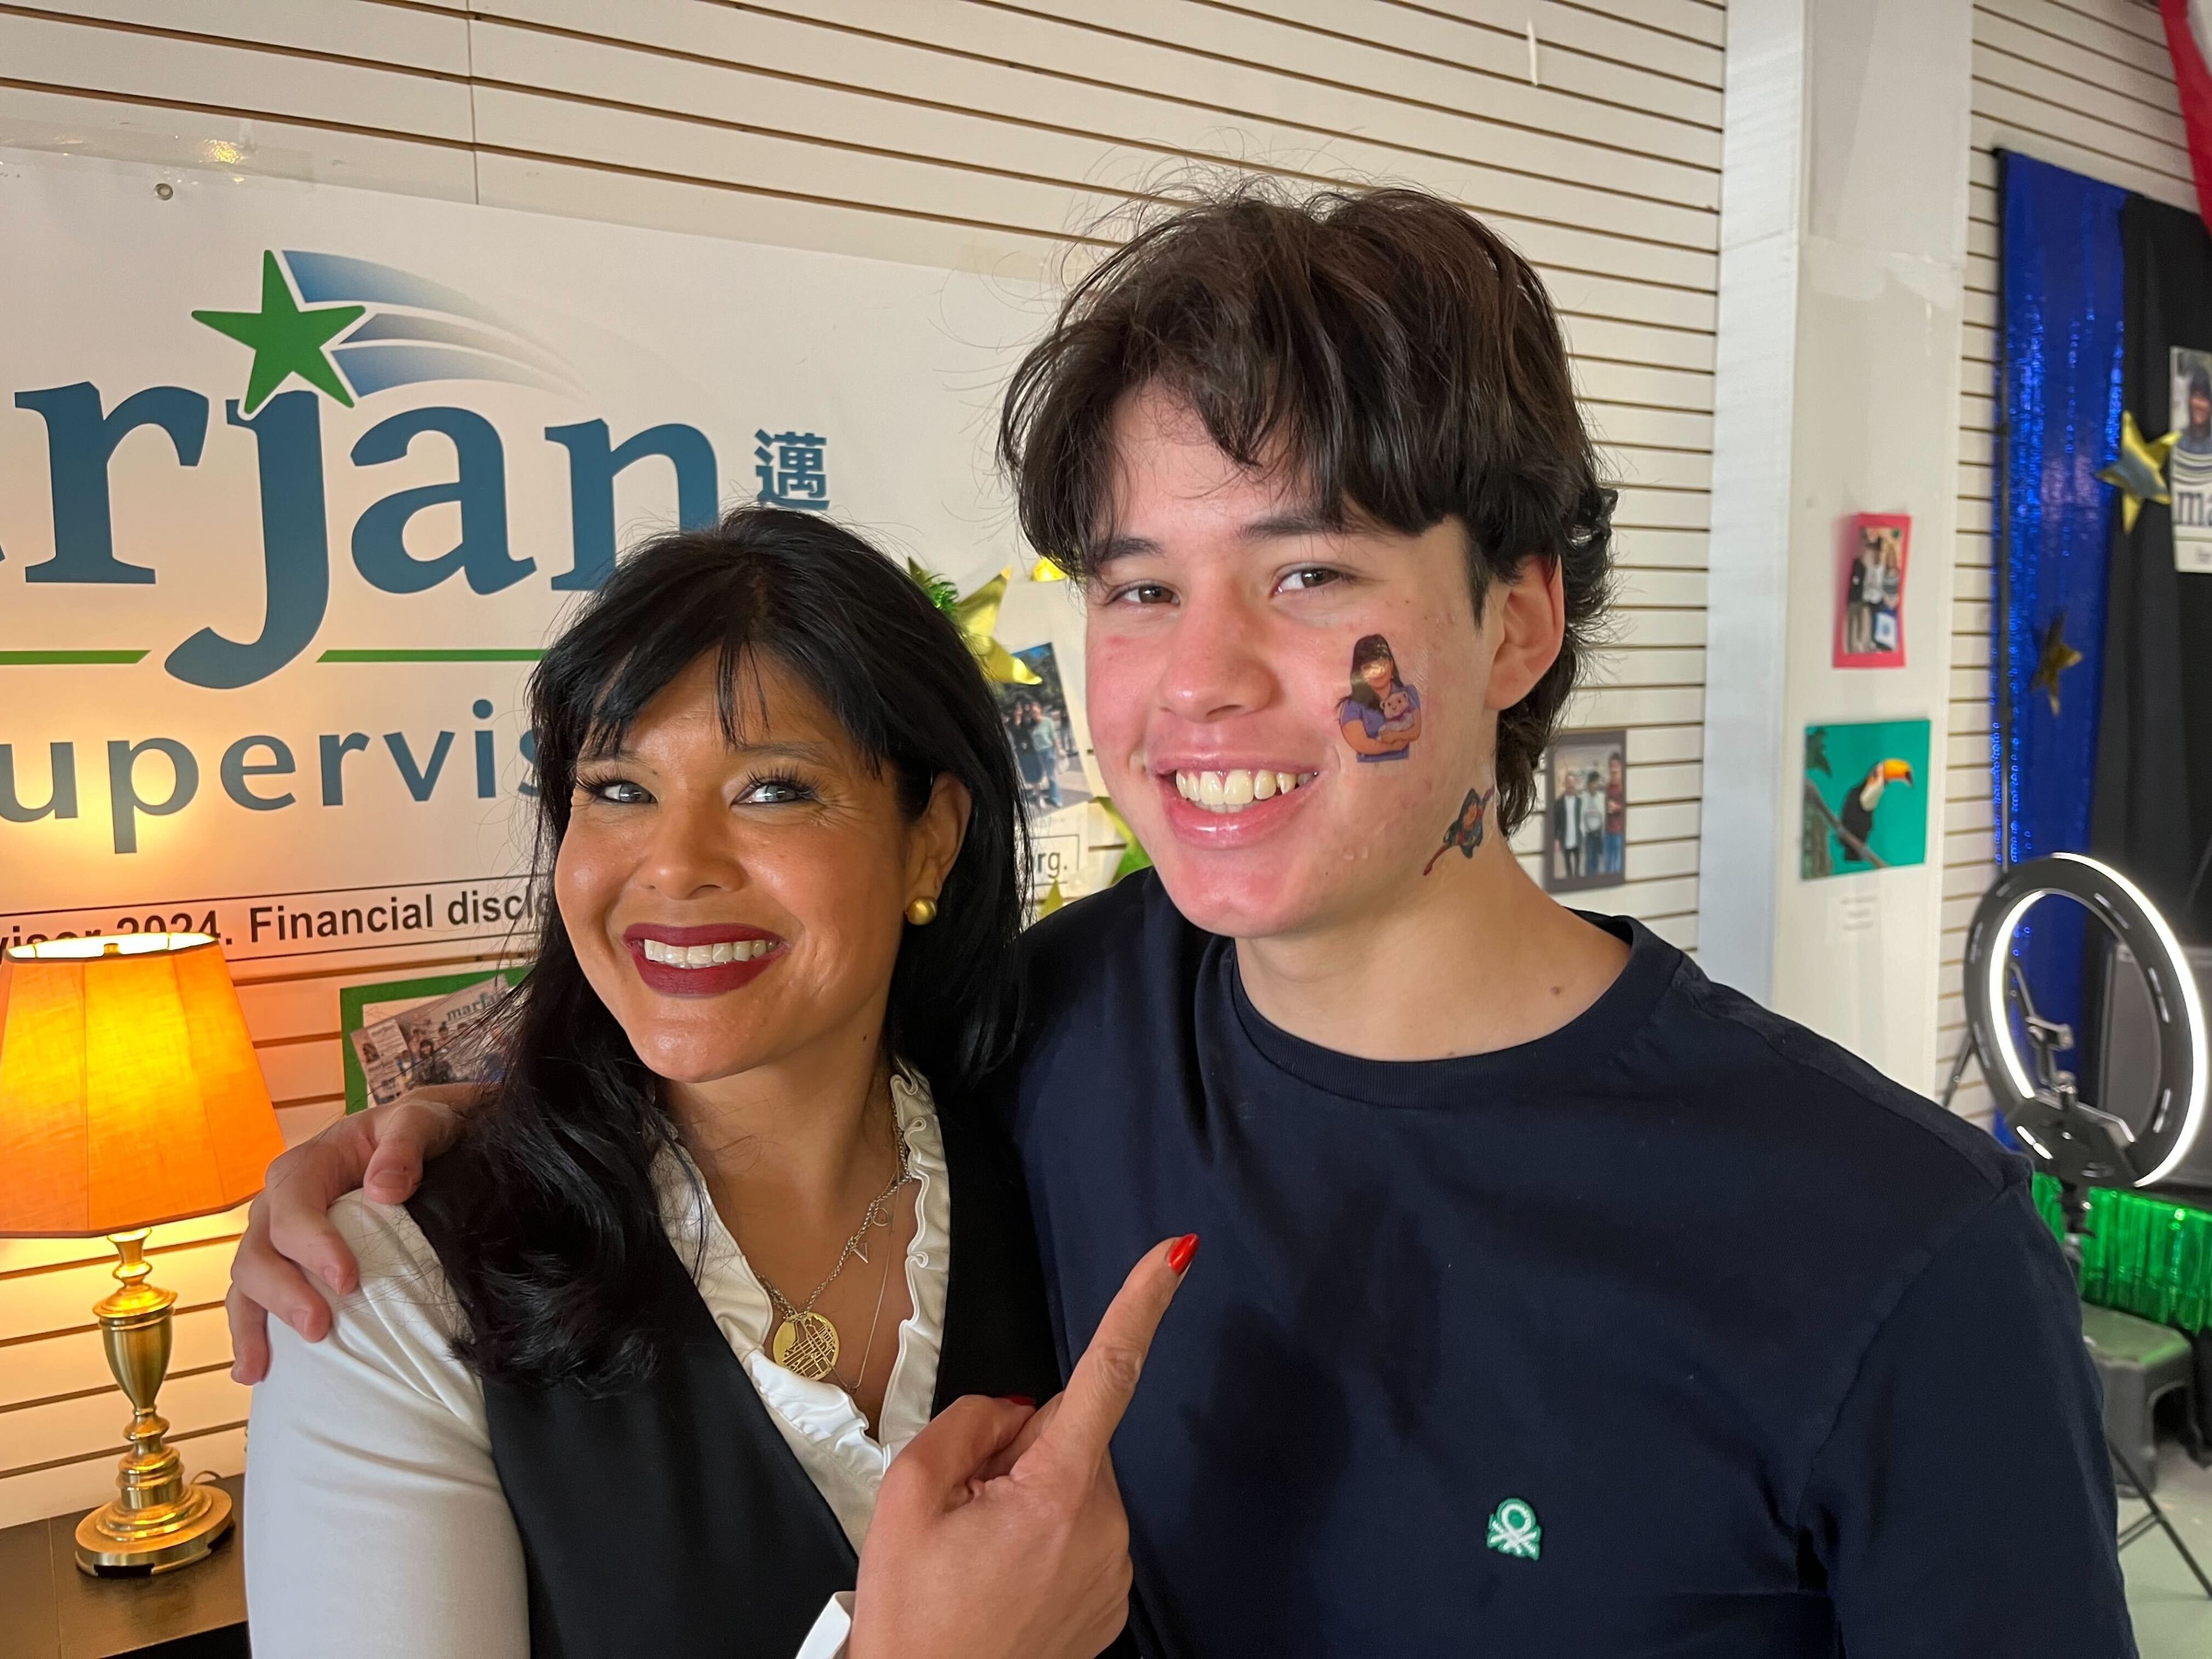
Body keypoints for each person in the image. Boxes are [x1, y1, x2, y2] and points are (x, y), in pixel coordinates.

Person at [232, 183, 2129, 1654]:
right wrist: (431, 1147)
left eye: (1307, 573)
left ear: (1520, 619)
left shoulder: (1896, 1260)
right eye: (1138, 589)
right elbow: (728, 1029)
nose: (1197, 683)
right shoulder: (1048, 1038)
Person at [242, 508, 1191, 1659]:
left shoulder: (1052, 1155)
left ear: (931, 838)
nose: (676, 865)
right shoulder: (391, 1289)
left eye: (773, 790)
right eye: (619, 790)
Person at [1335, 633, 1422, 759]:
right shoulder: (1352, 706)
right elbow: (1361, 743)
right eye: (1368, 667)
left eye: (1382, 664)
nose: (1376, 672)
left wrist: (1395, 736)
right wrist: (1392, 747)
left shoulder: (1409, 693)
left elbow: (1416, 731)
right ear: (1360, 673)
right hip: (1365, 773)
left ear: (1391, 664)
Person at [1551, 762, 1583, 878]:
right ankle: (1570, 877)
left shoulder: (1580, 802)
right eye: (1568, 783)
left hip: (1577, 836)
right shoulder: (1559, 803)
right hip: (1565, 836)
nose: (1571, 785)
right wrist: (1556, 839)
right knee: (1568, 862)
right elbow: (1556, 823)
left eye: (1572, 783)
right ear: (1566, 784)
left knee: (1578, 862)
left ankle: (1578, 878)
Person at [1603, 751, 1627, 876]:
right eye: (1611, 766)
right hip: (1608, 831)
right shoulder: (1607, 787)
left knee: (1618, 865)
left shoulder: (1624, 787)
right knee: (1607, 864)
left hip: (1619, 832)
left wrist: (1617, 807)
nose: (1613, 769)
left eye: (1616, 766)